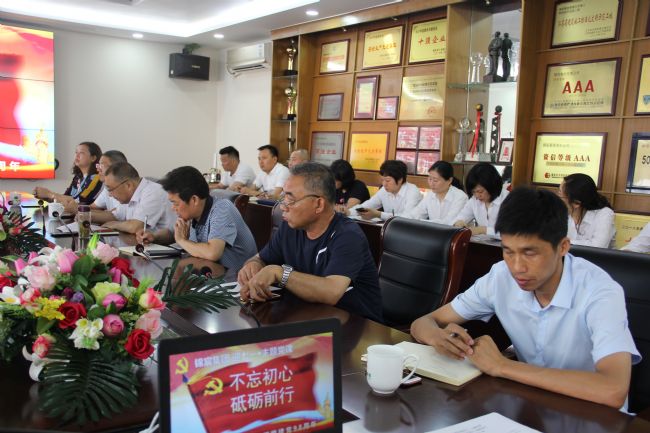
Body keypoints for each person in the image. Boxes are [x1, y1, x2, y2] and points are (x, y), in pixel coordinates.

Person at [411, 187, 640, 409]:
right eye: (508, 251)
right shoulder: (500, 277)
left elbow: (613, 389)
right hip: (531, 407)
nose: (517, 267)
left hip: (593, 416)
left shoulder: (599, 291)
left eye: (530, 253)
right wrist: (438, 337)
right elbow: (423, 323)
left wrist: (501, 366)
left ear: (563, 247)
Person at [237, 162, 383, 322]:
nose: (283, 207)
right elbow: (261, 258)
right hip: (308, 315)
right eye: (283, 197)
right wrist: (253, 266)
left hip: (356, 325)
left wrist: (280, 273)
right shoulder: (290, 227)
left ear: (318, 204)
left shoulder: (348, 235)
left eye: (290, 199)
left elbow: (331, 292)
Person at [136, 166, 257, 269]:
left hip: (236, 279)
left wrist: (182, 241)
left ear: (194, 200)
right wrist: (154, 237)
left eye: (175, 203)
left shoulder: (222, 208)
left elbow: (213, 252)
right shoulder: (191, 213)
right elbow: (174, 233)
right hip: (209, 274)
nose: (173, 208)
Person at [100, 162, 175, 233]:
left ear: (128, 185)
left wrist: (114, 224)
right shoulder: (129, 196)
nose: (110, 195)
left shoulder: (153, 192)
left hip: (167, 241)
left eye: (111, 189)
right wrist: (92, 216)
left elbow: (135, 227)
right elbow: (116, 215)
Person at [63, 150, 128, 223]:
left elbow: (117, 216)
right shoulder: (106, 188)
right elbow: (93, 207)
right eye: (98, 165)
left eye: (101, 166)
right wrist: (77, 208)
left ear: (117, 167)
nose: (98, 169)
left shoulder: (124, 186)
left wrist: (79, 211)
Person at [33, 141, 103, 205]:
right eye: (76, 152)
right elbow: (65, 197)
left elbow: (79, 201)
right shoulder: (77, 177)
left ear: (93, 158)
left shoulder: (96, 178)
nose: (77, 156)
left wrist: (49, 194)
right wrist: (45, 197)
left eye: (81, 153)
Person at [350, 160, 422, 221]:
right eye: (382, 180)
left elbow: (408, 218)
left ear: (400, 179)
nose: (384, 184)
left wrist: (379, 214)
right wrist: (349, 212)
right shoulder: (384, 190)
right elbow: (367, 205)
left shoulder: (413, 192)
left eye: (387, 181)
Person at [559, 173, 615, 248]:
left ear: (576, 203)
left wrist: (563, 243)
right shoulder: (561, 213)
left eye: (561, 195)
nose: (558, 198)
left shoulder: (605, 214)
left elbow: (598, 246)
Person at [454, 162, 508, 236]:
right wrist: (458, 223)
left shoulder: (509, 200)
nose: (477, 196)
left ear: (492, 186)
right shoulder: (474, 200)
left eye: (480, 191)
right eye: (473, 192)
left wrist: (483, 230)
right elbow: (461, 217)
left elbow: (511, 232)